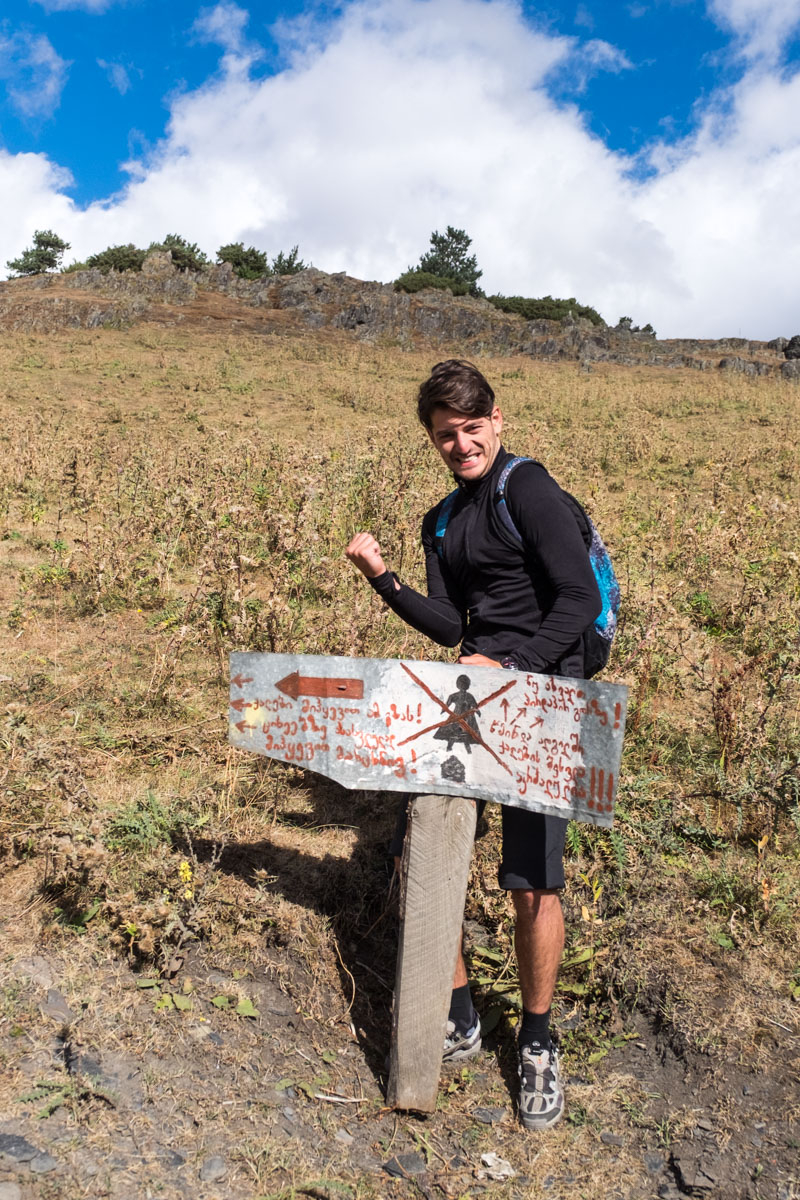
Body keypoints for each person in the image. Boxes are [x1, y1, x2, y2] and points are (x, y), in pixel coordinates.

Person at [345, 359, 601, 1131]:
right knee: (416, 858)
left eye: (470, 428)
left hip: (545, 697)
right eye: (445, 436)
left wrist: (513, 666)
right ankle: (458, 1015)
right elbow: (454, 628)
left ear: (497, 419)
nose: (461, 445)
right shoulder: (442, 522)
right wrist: (383, 578)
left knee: (531, 882)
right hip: (473, 698)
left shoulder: (529, 487)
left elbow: (581, 599)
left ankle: (537, 1039)